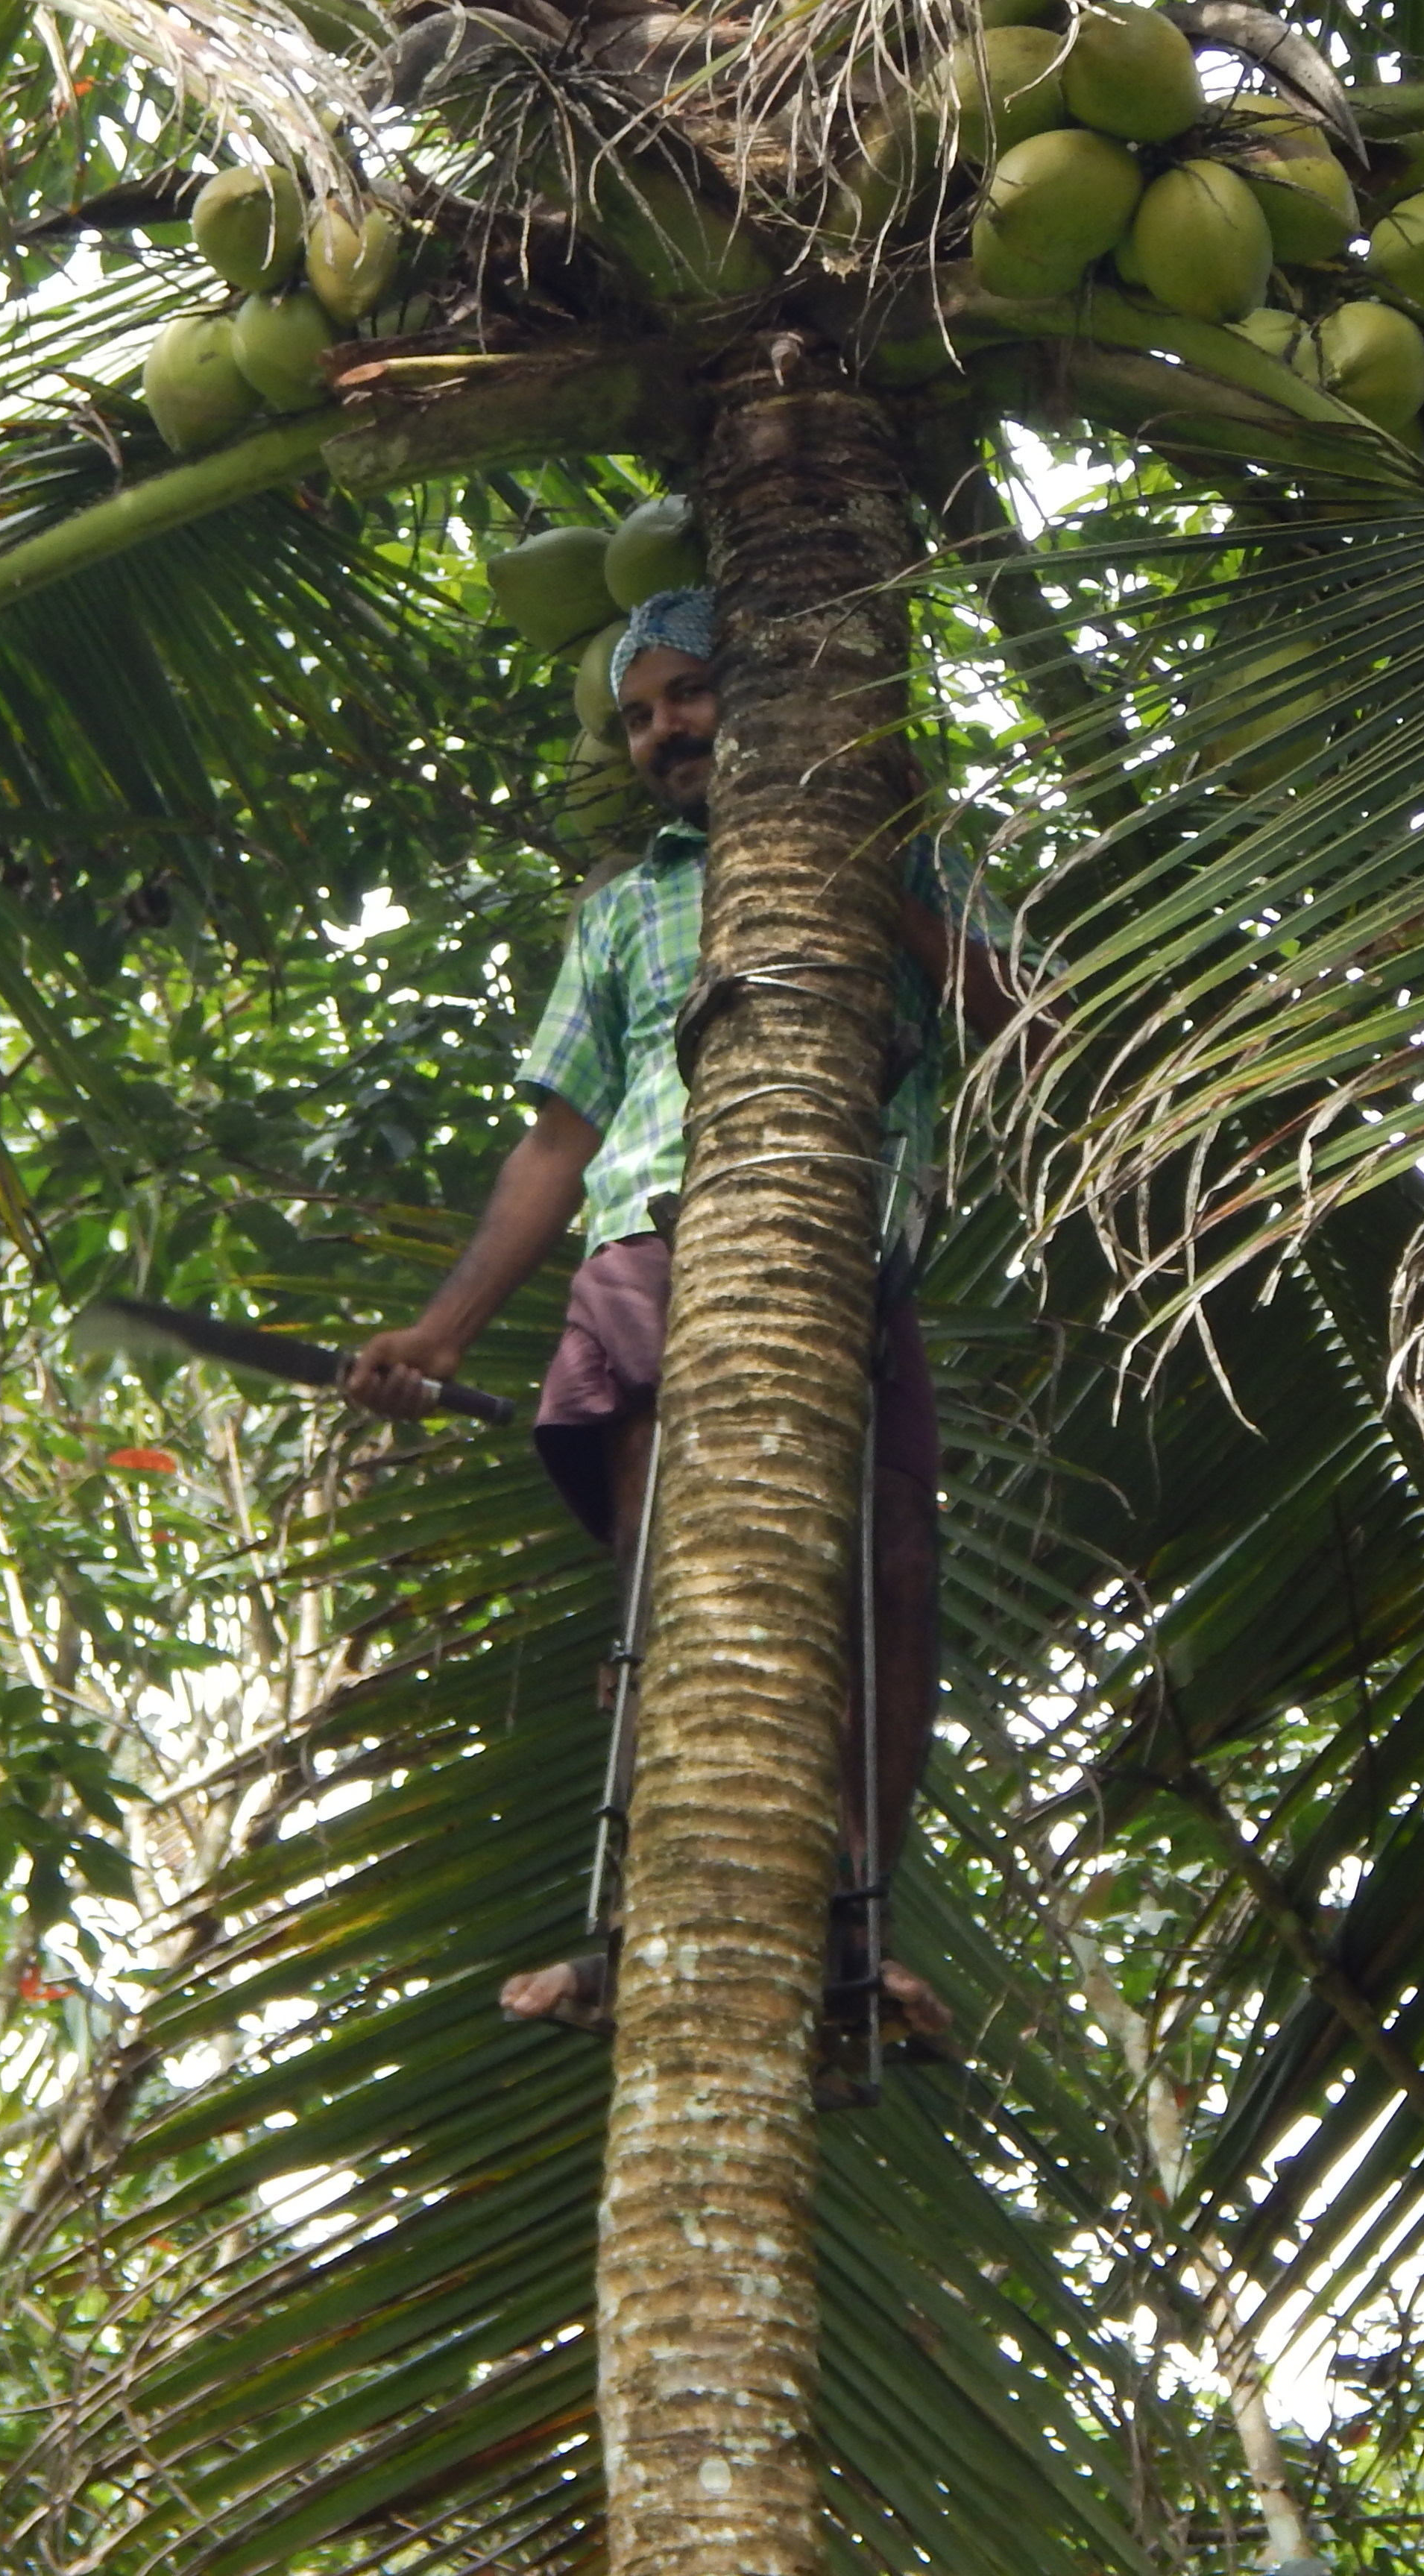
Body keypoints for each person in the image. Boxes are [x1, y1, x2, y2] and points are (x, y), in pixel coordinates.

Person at [339, 586, 1025, 2060]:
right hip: (660, 1240)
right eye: (641, 715)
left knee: (895, 1568)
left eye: (691, 694)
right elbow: (557, 1140)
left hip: (854, 1262)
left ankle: (857, 1928)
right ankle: (631, 1928)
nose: (664, 733)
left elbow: (1017, 1017)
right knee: (689, 1574)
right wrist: (445, 1329)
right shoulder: (624, 908)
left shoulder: (917, 862)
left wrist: (874, 867)